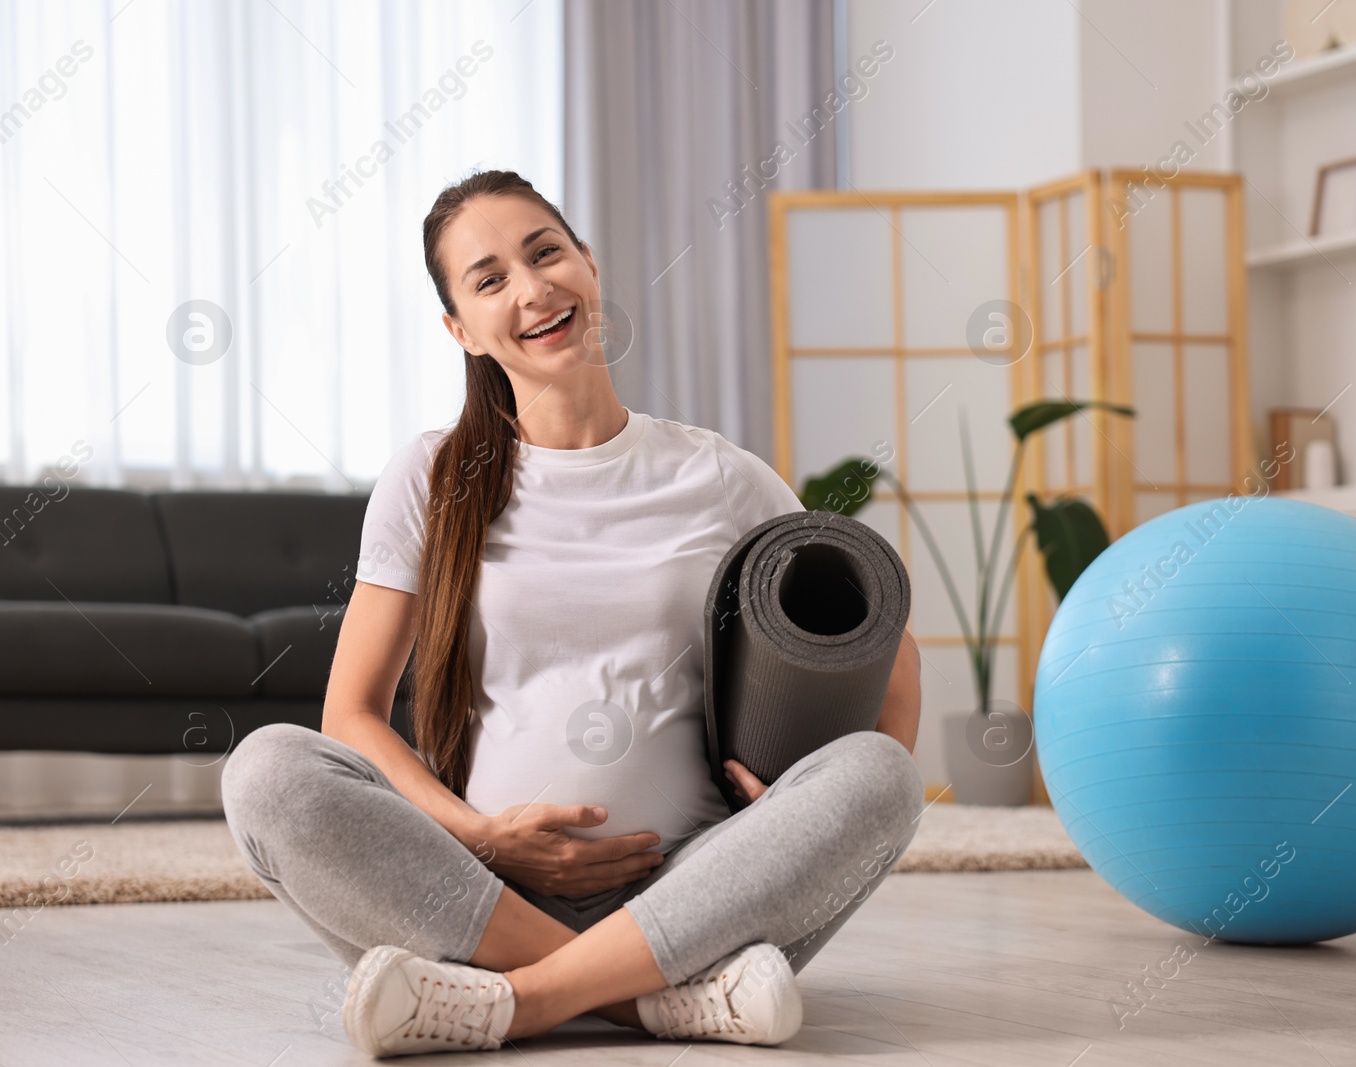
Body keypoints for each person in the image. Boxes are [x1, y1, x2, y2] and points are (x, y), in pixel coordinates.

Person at [220, 169, 926, 1058]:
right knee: (267, 772)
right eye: (489, 279)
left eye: (546, 252)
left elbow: (891, 657)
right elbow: (351, 715)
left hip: (698, 887)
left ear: (589, 265)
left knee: (882, 775)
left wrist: (789, 800)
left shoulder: (717, 473)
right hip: (481, 892)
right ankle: (656, 1000)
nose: (532, 287)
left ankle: (514, 1002)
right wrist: (481, 835)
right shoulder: (432, 478)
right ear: (461, 331)